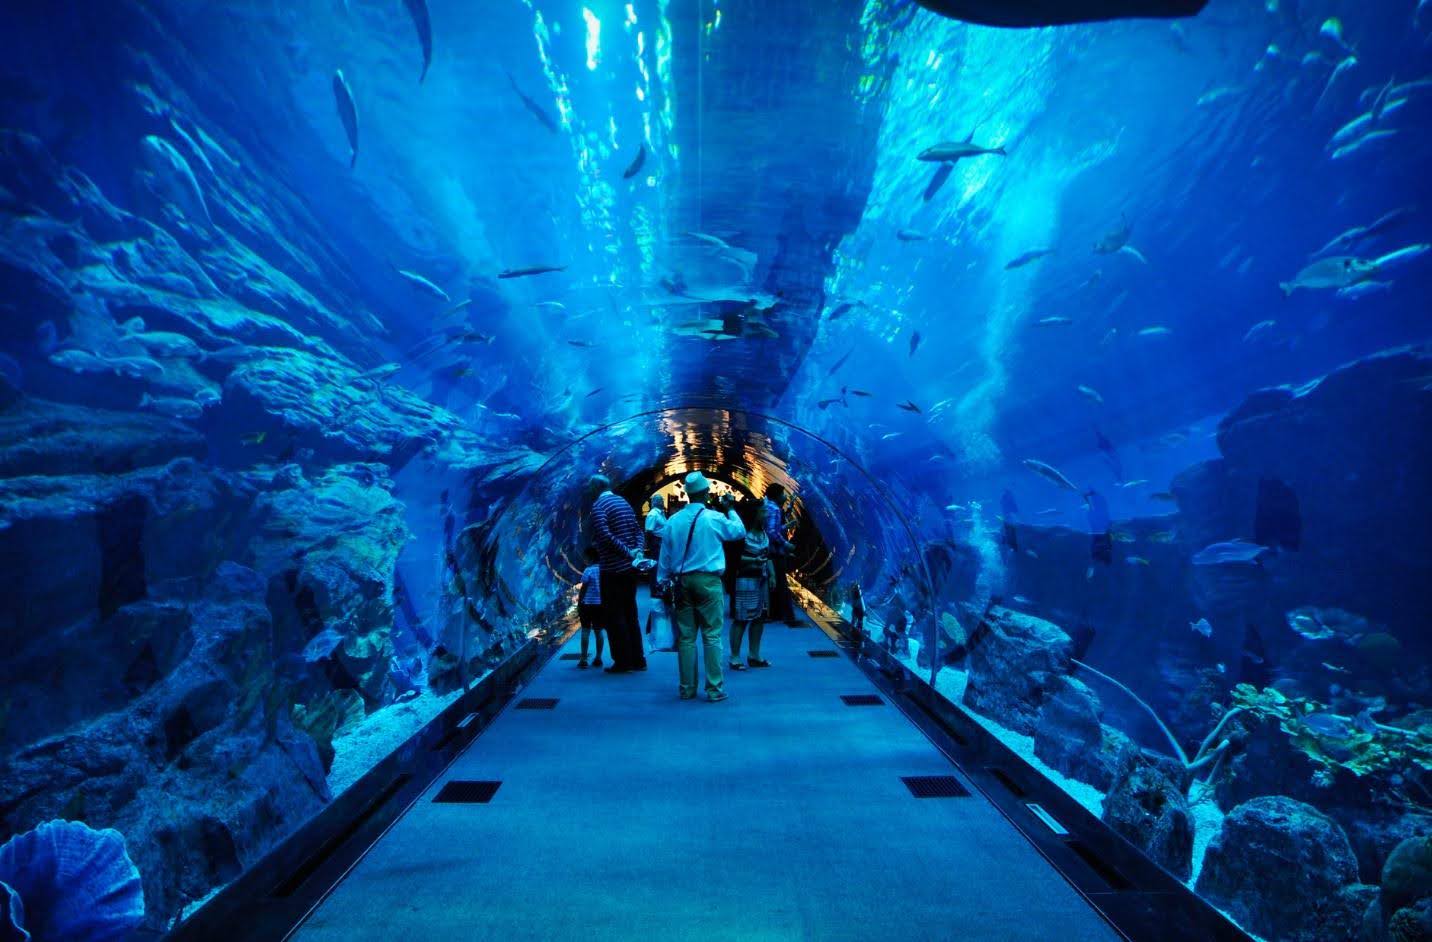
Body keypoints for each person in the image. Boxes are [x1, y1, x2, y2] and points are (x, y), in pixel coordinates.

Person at [657, 471, 745, 701]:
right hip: (708, 582)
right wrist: (731, 508)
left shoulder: (673, 521)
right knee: (712, 635)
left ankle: (687, 688)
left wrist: (662, 584)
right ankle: (714, 689)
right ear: (706, 493)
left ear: (687, 494)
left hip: (681, 582)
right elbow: (738, 531)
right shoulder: (713, 518)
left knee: (686, 637)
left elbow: (664, 557)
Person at [587, 474, 646, 674]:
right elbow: (638, 531)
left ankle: (623, 661)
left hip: (612, 570)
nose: (588, 491)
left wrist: (628, 552)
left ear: (596, 488)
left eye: (590, 487)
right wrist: (637, 551)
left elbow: (604, 535)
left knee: (614, 616)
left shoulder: (598, 507)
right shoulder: (623, 502)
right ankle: (638, 659)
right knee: (631, 613)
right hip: (630, 569)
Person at [729, 498, 773, 671]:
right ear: (754, 513)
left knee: (759, 617)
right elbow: (734, 558)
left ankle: (754, 654)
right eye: (763, 511)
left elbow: (767, 555)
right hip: (745, 580)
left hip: (761, 579)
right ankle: (734, 657)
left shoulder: (763, 532)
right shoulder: (742, 533)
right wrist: (754, 560)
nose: (767, 514)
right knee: (741, 618)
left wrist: (772, 574)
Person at [764, 483, 800, 626]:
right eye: (783, 493)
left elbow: (772, 528)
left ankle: (776, 613)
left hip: (767, 550)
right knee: (780, 582)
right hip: (775, 551)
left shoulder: (766, 506)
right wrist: (786, 544)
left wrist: (786, 526)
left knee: (775, 582)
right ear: (777, 495)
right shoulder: (775, 509)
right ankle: (786, 615)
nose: (785, 496)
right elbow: (772, 532)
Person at [576, 548, 604, 669]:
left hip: (587, 604)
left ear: (590, 558)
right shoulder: (603, 569)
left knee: (585, 630)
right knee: (599, 631)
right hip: (599, 605)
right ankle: (598, 658)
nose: (584, 560)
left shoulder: (588, 570)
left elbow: (584, 587)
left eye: (585, 557)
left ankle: (583, 659)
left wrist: (579, 602)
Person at [644, 494, 668, 589]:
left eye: (662, 500)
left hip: (661, 541)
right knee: (655, 565)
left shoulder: (660, 513)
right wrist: (649, 546)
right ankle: (654, 588)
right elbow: (648, 531)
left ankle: (658, 586)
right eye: (661, 500)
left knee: (660, 565)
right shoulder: (653, 514)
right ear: (656, 502)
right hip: (656, 542)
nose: (663, 502)